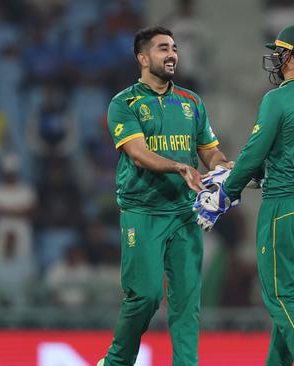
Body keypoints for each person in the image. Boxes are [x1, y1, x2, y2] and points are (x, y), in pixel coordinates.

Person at [195, 24, 294, 366]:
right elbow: (290, 154)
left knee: (282, 300)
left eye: (280, 51)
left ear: (290, 55)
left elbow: (255, 153)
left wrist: (224, 193)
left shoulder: (278, 98)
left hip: (285, 208)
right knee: (293, 303)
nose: (275, 57)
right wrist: (255, 175)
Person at [98, 26, 232, 366]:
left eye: (173, 48)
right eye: (162, 49)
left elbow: (210, 152)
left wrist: (223, 168)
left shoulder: (192, 102)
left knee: (187, 303)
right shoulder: (124, 103)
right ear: (143, 58)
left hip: (185, 214)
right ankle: (115, 362)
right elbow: (138, 153)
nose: (172, 54)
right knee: (145, 296)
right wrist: (180, 168)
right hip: (143, 212)